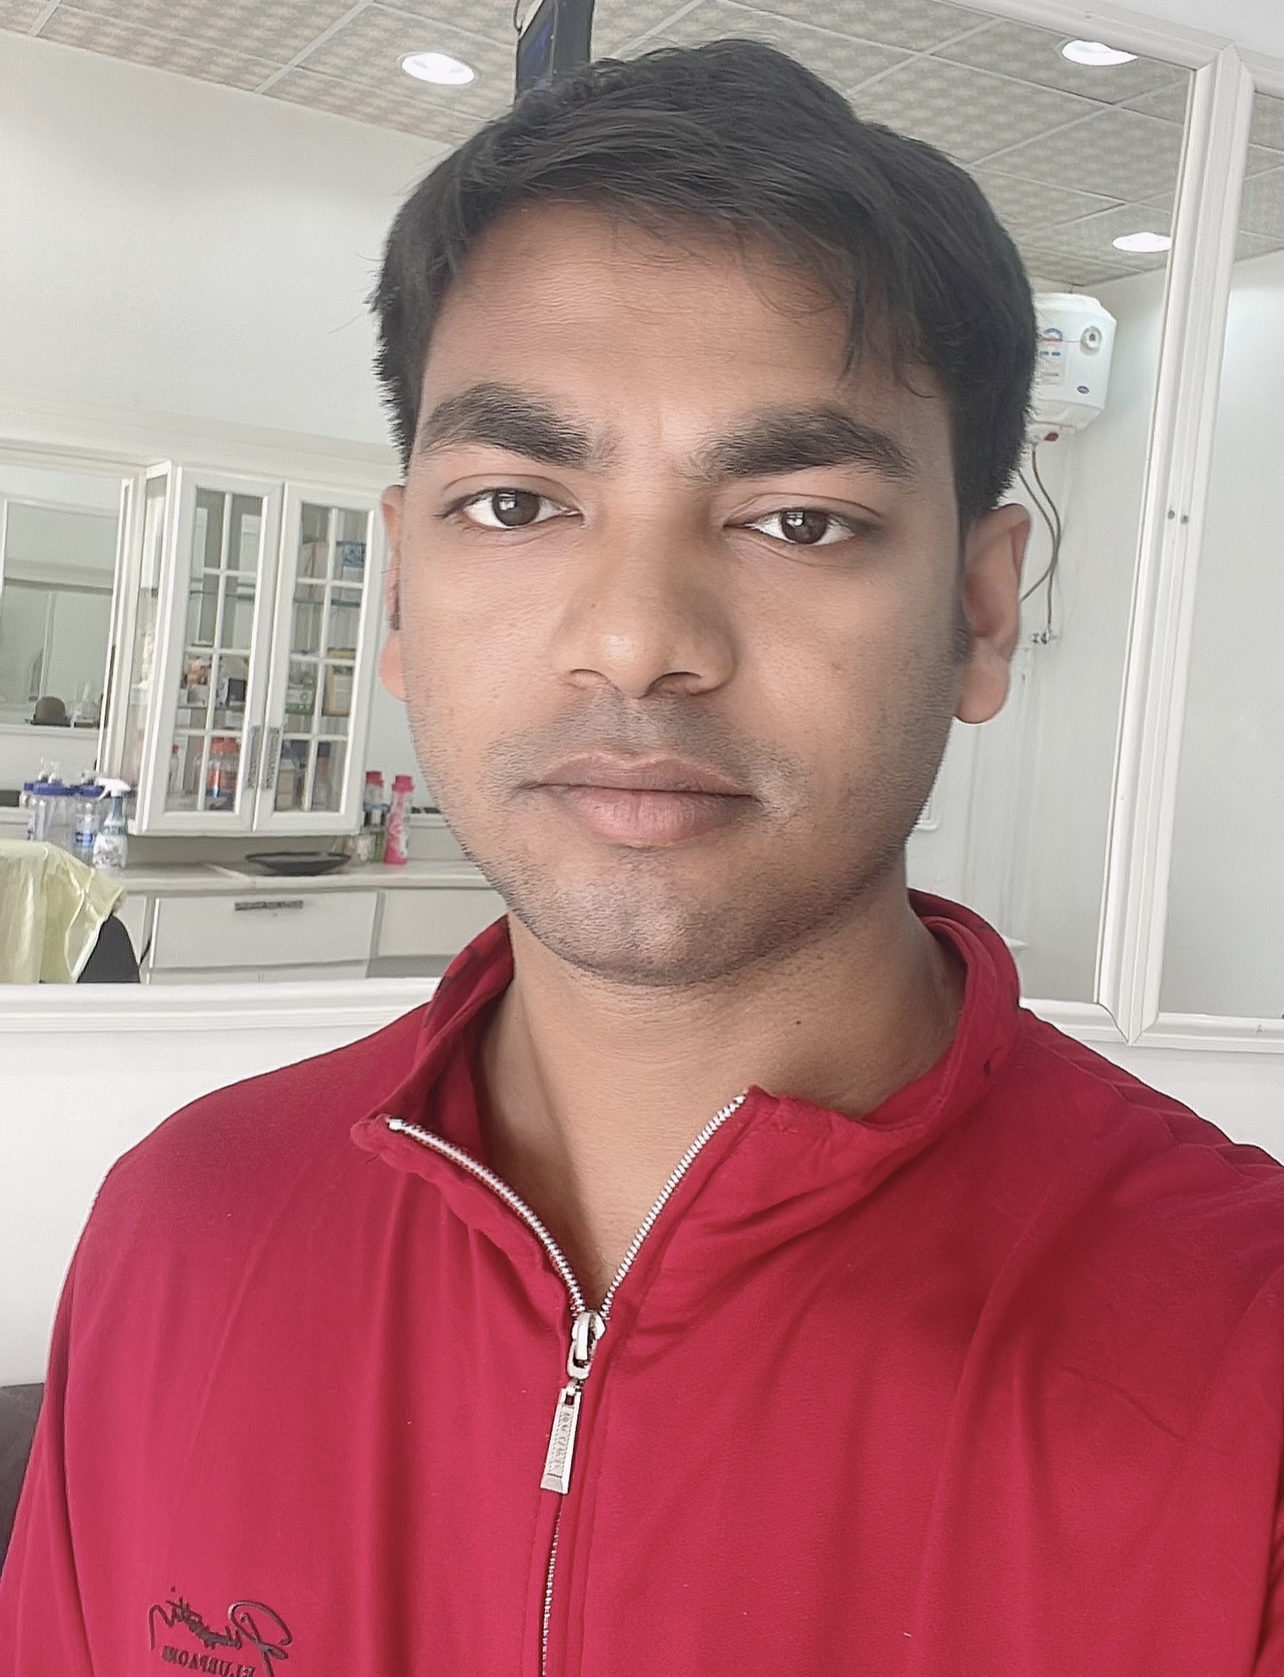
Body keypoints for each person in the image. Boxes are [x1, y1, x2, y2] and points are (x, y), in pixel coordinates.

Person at [3, 39, 1283, 1677]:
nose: (633, 638)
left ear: (979, 610)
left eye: (798, 518)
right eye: (515, 503)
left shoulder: (1243, 1364)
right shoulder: (182, 1232)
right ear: (398, 589)